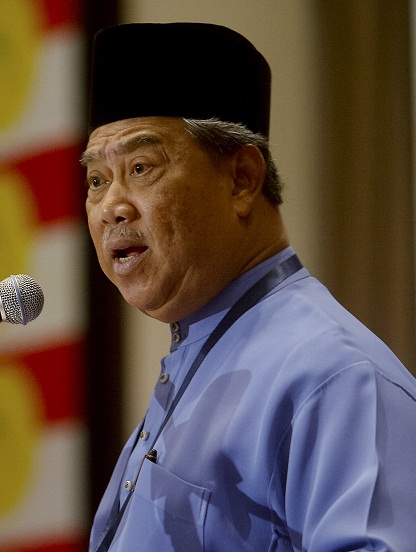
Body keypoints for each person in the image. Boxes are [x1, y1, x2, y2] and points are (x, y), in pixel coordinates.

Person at [82, 23, 416, 552]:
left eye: (141, 168)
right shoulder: (201, 348)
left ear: (242, 179)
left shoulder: (333, 376)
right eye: (97, 180)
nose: (111, 208)